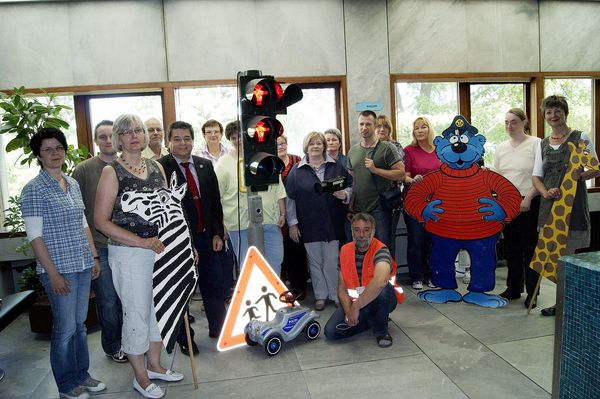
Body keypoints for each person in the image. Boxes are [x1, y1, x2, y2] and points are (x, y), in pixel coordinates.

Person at [95, 114, 183, 399]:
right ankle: (141, 378)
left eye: (138, 131)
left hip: (159, 250)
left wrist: (181, 245)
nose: (134, 135)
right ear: (119, 138)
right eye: (127, 132)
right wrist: (140, 241)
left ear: (145, 136)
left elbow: (168, 210)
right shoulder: (112, 171)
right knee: (136, 315)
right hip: (129, 254)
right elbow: (100, 221)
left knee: (157, 310)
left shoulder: (157, 166)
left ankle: (155, 365)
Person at [20, 128, 106, 399]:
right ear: (38, 155)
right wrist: (53, 274)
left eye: (58, 148)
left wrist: (93, 256)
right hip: (58, 268)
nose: (55, 153)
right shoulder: (34, 190)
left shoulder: (72, 183)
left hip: (81, 263)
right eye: (47, 149)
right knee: (65, 328)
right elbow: (35, 237)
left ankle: (82, 375)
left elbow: (83, 224)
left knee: (79, 326)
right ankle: (66, 384)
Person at [158, 121, 226, 352]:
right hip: (178, 242)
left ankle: (220, 328)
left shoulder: (205, 165)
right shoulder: (160, 168)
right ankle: (185, 338)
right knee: (182, 291)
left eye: (186, 138)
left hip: (207, 237)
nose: (182, 143)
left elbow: (215, 203)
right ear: (169, 142)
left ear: (193, 140)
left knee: (215, 284)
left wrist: (218, 232)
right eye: (177, 139)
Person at [532, 95, 599, 316]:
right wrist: (545, 192)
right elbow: (536, 177)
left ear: (565, 112)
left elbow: (596, 169)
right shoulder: (542, 143)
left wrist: (581, 175)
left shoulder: (580, 138)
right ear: (544, 116)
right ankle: (562, 302)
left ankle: (567, 303)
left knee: (567, 257)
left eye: (557, 110)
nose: (553, 115)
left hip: (572, 207)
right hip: (549, 208)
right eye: (549, 112)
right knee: (551, 257)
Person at [72, 120, 126, 363]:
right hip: (100, 246)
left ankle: (131, 342)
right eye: (101, 136)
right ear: (95, 140)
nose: (106, 140)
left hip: (127, 246)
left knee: (129, 298)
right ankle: (113, 346)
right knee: (108, 301)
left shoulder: (127, 166)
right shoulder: (83, 170)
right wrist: (90, 251)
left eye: (110, 135)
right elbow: (78, 212)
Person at [285, 132, 352, 310]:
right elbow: (290, 199)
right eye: (312, 143)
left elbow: (350, 185)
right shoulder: (297, 170)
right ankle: (321, 296)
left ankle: (335, 294)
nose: (315, 146)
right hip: (309, 223)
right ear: (306, 147)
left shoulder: (336, 166)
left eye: (319, 143)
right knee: (315, 262)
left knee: (331, 260)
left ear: (324, 146)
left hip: (332, 221)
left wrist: (345, 194)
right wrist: (292, 223)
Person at [215, 121, 286, 274]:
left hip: (269, 221)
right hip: (240, 225)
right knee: (248, 266)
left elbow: (278, 187)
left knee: (275, 261)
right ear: (229, 140)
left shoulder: (265, 158)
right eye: (233, 137)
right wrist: (222, 224)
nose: (238, 140)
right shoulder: (223, 164)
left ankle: (272, 296)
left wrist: (282, 213)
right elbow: (217, 198)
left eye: (240, 136)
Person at [324, 213, 397, 347]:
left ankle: (381, 331)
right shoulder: (345, 250)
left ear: (373, 231)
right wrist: (348, 312)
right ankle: (372, 320)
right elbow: (341, 288)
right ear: (352, 232)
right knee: (331, 332)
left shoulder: (381, 250)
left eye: (366, 230)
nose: (361, 234)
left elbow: (380, 281)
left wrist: (356, 308)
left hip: (382, 299)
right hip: (357, 302)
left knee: (383, 288)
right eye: (357, 230)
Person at [494, 108, 541, 308]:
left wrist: (528, 198)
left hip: (530, 199)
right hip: (508, 202)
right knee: (511, 247)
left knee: (530, 248)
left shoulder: (537, 143)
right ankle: (514, 288)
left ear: (524, 122)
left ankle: (533, 292)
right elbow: (496, 176)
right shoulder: (501, 147)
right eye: (506, 122)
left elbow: (540, 175)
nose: (509, 126)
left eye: (513, 122)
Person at [347, 110, 405, 252]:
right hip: (360, 208)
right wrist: (350, 206)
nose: (364, 127)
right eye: (361, 124)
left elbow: (401, 174)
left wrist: (376, 170)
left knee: (383, 247)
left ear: (375, 126)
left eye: (368, 124)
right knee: (362, 248)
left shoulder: (387, 148)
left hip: (380, 208)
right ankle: (368, 275)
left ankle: (386, 275)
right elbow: (354, 181)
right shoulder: (352, 151)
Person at [402, 116, 441, 289]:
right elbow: (404, 176)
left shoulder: (440, 149)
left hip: (436, 203)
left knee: (432, 241)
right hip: (414, 203)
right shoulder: (409, 150)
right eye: (416, 128)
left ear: (429, 129)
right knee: (416, 240)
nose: (420, 130)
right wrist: (411, 179)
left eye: (423, 127)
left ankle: (431, 275)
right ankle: (417, 276)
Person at [277, 134, 308, 297]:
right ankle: (280, 287)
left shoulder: (297, 160)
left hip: (296, 213)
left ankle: (299, 288)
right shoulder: (269, 164)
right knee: (279, 253)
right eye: (277, 144)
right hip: (276, 214)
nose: (281, 146)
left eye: (283, 143)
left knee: (296, 251)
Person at [376, 114, 405, 258]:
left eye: (385, 126)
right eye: (378, 126)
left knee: (387, 240)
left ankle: (389, 277)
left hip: (390, 201)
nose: (381, 129)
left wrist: (376, 169)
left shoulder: (395, 146)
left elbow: (399, 173)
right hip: (371, 201)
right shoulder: (369, 147)